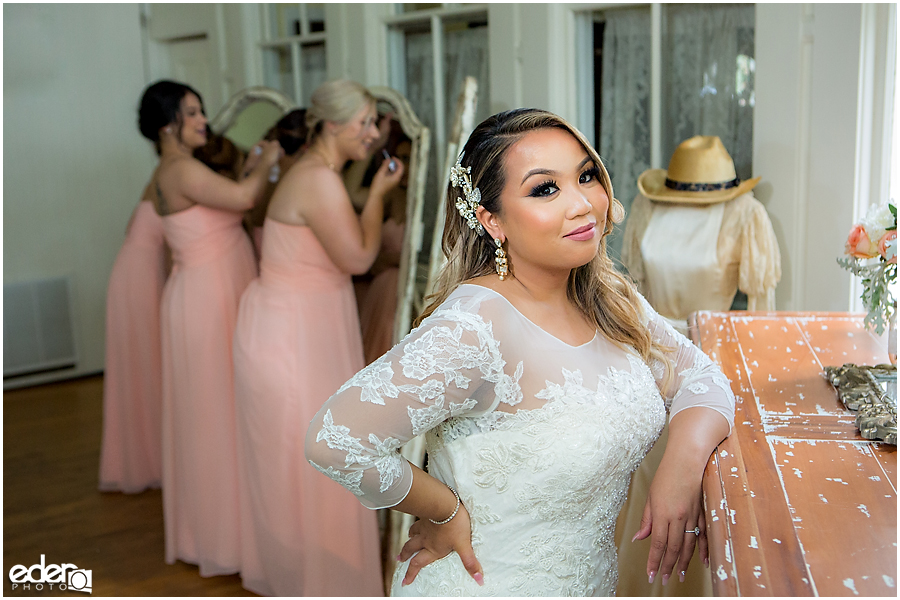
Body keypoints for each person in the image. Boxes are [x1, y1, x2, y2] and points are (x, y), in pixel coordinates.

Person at [305, 108, 736, 595]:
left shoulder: (610, 299)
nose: (582, 204)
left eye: (586, 176)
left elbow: (702, 378)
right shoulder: (475, 328)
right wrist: (442, 508)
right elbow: (334, 440)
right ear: (492, 220)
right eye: (544, 189)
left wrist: (683, 462)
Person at [232, 79, 402, 596]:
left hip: (292, 322)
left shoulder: (318, 172)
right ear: (332, 125)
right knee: (311, 451)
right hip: (294, 334)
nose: (373, 134)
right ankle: (315, 577)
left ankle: (307, 570)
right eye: (365, 122)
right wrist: (377, 193)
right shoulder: (319, 181)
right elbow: (358, 258)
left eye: (374, 122)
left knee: (301, 453)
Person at [138, 79, 282, 577]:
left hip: (196, 294)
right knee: (216, 415)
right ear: (167, 126)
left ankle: (214, 531)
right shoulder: (180, 169)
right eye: (194, 113)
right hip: (206, 299)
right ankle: (226, 539)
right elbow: (244, 198)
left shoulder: (178, 170)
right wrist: (267, 158)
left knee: (211, 415)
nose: (205, 121)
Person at [98, 182, 168, 494]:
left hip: (133, 271)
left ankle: (144, 457)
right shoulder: (169, 179)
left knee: (142, 368)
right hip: (141, 277)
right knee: (147, 367)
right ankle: (152, 460)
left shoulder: (160, 179)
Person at [244, 109, 310, 257]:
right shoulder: (299, 174)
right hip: (285, 252)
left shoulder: (266, 164)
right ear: (307, 147)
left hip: (262, 246)